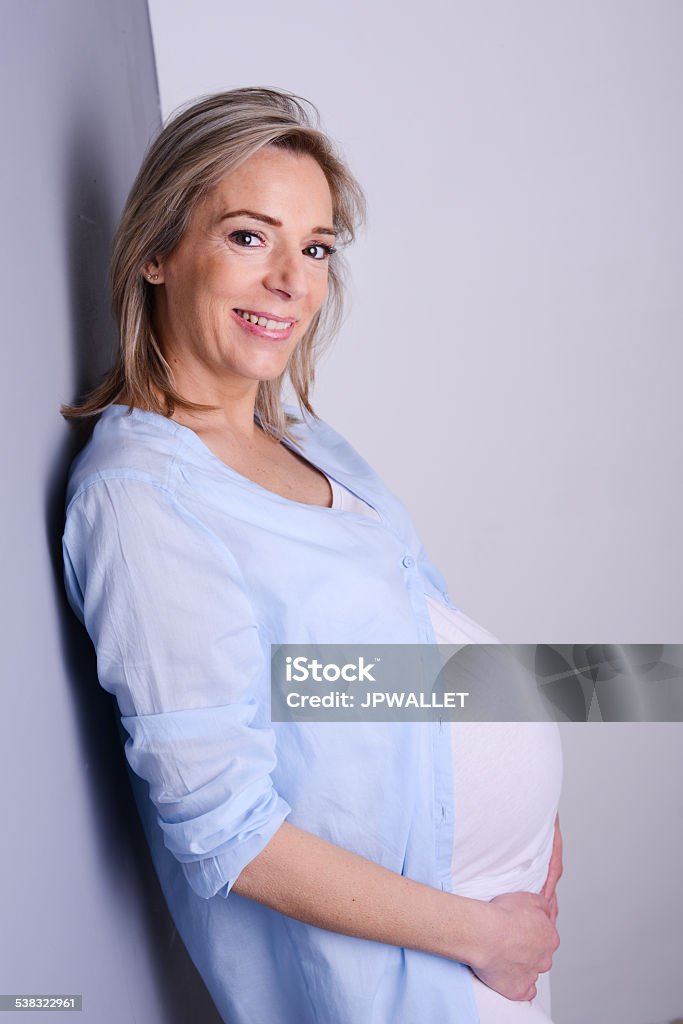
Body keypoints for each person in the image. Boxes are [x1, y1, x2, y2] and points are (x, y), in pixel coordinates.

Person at [60, 87, 563, 1024]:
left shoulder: (307, 442)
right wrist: (484, 934)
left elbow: (374, 669)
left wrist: (536, 838)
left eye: (317, 247)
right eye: (250, 237)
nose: (293, 279)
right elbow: (228, 834)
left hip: (494, 920)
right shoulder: (141, 501)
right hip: (413, 969)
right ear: (159, 254)